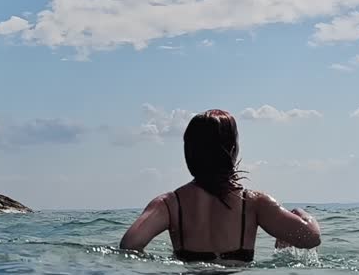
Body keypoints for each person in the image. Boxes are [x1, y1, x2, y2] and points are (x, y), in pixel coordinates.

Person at [119, 109, 321, 263]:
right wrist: (300, 214)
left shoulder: (169, 204)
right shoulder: (254, 202)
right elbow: (311, 238)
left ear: (189, 152)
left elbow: (129, 245)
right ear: (232, 150)